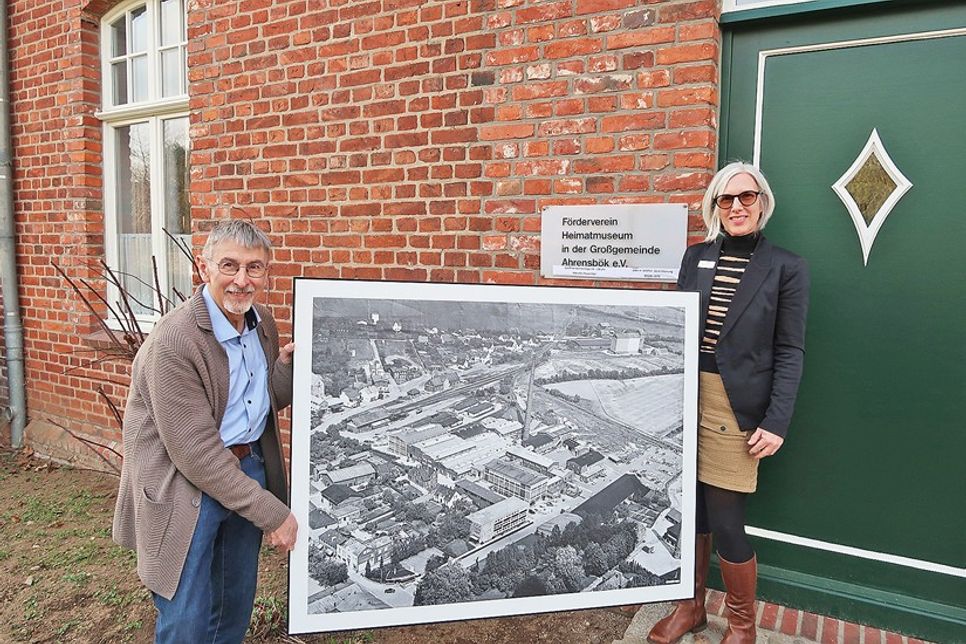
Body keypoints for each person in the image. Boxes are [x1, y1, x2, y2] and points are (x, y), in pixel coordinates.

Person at [112, 219, 299, 643]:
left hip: (246, 468)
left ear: (266, 273)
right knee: (187, 617)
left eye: (254, 268)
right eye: (229, 265)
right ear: (204, 267)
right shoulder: (175, 341)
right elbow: (194, 451)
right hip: (183, 486)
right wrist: (274, 513)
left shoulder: (261, 322)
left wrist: (284, 368)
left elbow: (257, 402)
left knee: (232, 607)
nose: (241, 280)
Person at [648, 162, 809, 644]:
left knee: (725, 519)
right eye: (726, 199)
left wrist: (777, 420)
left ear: (763, 202)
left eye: (747, 197)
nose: (737, 207)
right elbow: (679, 329)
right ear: (714, 206)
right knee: (690, 513)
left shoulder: (787, 267)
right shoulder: (695, 256)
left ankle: (742, 626)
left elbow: (790, 350)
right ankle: (691, 607)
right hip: (685, 397)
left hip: (734, 409)